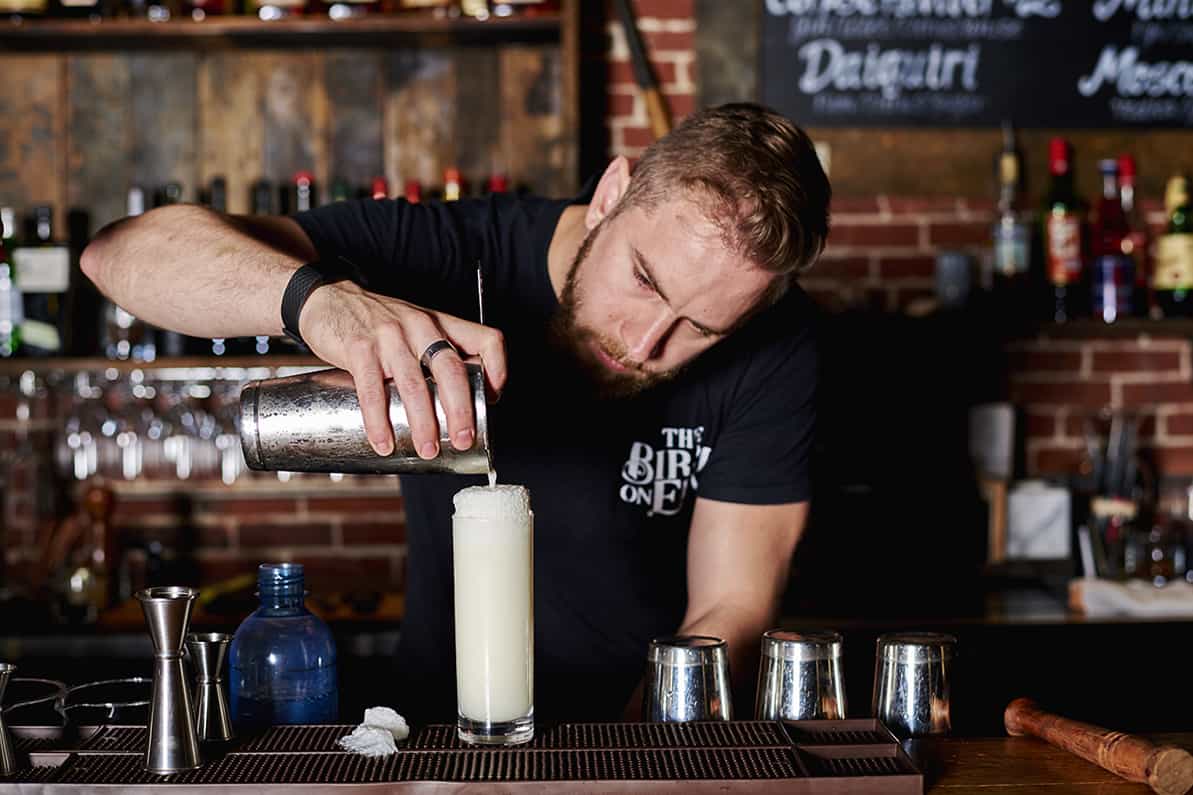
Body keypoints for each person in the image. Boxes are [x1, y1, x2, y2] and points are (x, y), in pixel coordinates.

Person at [81, 102, 831, 722]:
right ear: (610, 195)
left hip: (635, 728)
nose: (642, 343)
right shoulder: (451, 250)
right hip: (433, 732)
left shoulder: (779, 343)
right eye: (642, 279)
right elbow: (118, 255)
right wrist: (321, 303)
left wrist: (624, 759)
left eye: (699, 330)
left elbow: (730, 603)